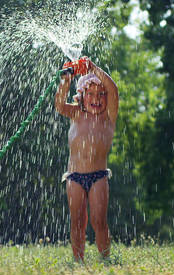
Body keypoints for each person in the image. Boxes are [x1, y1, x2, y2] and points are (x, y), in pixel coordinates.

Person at [54, 57, 119, 262]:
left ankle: (105, 258)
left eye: (101, 94)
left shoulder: (108, 117)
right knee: (77, 221)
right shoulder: (76, 113)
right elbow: (59, 105)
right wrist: (66, 79)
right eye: (90, 94)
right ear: (81, 97)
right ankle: (78, 260)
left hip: (99, 176)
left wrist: (92, 68)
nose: (96, 98)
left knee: (99, 221)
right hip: (74, 176)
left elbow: (113, 88)